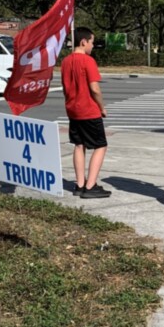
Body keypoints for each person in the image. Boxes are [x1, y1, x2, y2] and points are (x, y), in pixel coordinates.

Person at [61, 26, 111, 199]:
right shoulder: (88, 61)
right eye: (92, 42)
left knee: (79, 145)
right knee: (100, 145)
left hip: (73, 110)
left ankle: (79, 184)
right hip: (88, 110)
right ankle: (91, 185)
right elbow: (95, 88)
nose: (92, 46)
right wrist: (102, 107)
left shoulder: (66, 61)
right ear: (83, 42)